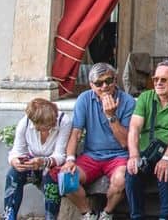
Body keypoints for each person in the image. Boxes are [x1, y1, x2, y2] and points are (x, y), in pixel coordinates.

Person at [59, 63, 136, 220]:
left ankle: (107, 213)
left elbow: (125, 142)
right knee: (66, 177)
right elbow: (76, 133)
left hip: (119, 155)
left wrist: (111, 116)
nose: (105, 86)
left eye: (109, 81)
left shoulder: (128, 101)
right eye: (99, 83)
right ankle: (88, 214)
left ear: (115, 80)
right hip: (92, 155)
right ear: (91, 85)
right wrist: (70, 159)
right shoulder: (84, 99)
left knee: (122, 179)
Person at [125, 60, 168, 220]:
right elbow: (134, 127)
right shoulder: (145, 97)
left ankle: (165, 217)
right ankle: (136, 217)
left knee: (166, 172)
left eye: (164, 80)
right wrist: (134, 155)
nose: (158, 83)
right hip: (148, 151)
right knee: (132, 172)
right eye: (156, 79)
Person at [4, 98, 72, 220]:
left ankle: (50, 217)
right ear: (35, 123)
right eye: (47, 123)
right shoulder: (24, 124)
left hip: (55, 165)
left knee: (50, 176)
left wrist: (44, 162)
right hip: (33, 163)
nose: (53, 124)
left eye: (53, 120)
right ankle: (9, 216)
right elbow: (16, 151)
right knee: (13, 174)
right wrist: (15, 161)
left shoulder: (63, 121)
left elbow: (60, 156)